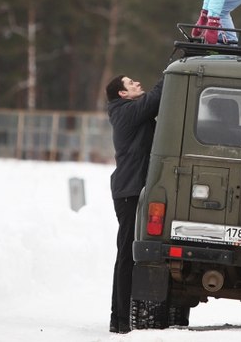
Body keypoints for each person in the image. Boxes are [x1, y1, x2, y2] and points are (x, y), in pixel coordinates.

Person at [105, 74, 164, 333]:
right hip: (128, 192)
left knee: (126, 255)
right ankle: (120, 321)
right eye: (131, 84)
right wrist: (173, 67)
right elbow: (155, 98)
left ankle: (118, 318)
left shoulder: (126, 111)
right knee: (126, 256)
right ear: (122, 94)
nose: (138, 83)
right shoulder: (126, 112)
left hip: (129, 190)